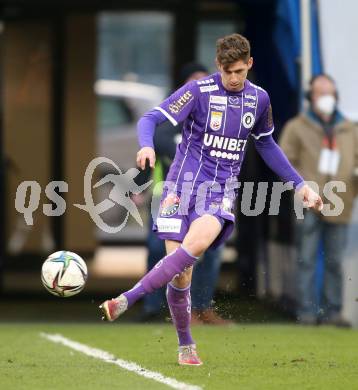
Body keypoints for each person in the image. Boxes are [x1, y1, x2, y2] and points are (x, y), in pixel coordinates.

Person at [100, 33, 323, 366]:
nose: (233, 79)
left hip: (217, 192)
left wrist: (299, 184)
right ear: (218, 66)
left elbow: (267, 144)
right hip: (178, 187)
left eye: (239, 71)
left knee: (195, 250)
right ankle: (185, 343)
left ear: (249, 64)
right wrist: (146, 144)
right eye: (227, 71)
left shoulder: (259, 100)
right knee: (180, 276)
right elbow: (150, 118)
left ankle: (128, 298)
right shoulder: (198, 91)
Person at [142, 63, 232, 325]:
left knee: (211, 252)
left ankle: (202, 308)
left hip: (208, 197)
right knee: (159, 248)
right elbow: (152, 152)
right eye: (195, 83)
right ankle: (155, 308)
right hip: (168, 197)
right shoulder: (170, 122)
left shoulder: (223, 121)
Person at [280, 74, 358, 326]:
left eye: (329, 93)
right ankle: (306, 311)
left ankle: (333, 312)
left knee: (335, 261)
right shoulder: (297, 127)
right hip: (308, 203)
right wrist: (301, 188)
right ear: (310, 97)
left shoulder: (350, 129)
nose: (325, 98)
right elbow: (283, 162)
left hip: (341, 202)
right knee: (307, 258)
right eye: (319, 92)